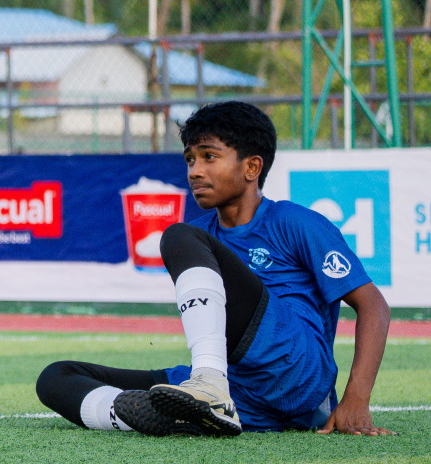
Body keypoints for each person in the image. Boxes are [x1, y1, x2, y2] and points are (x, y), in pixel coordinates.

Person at [36, 100, 394, 438]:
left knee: (177, 235)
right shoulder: (203, 235)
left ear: (252, 167)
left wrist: (356, 400)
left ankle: (208, 386)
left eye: (209, 157)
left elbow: (373, 304)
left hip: (296, 373)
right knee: (57, 377)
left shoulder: (292, 222)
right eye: (190, 159)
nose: (195, 171)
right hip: (241, 396)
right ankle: (156, 411)